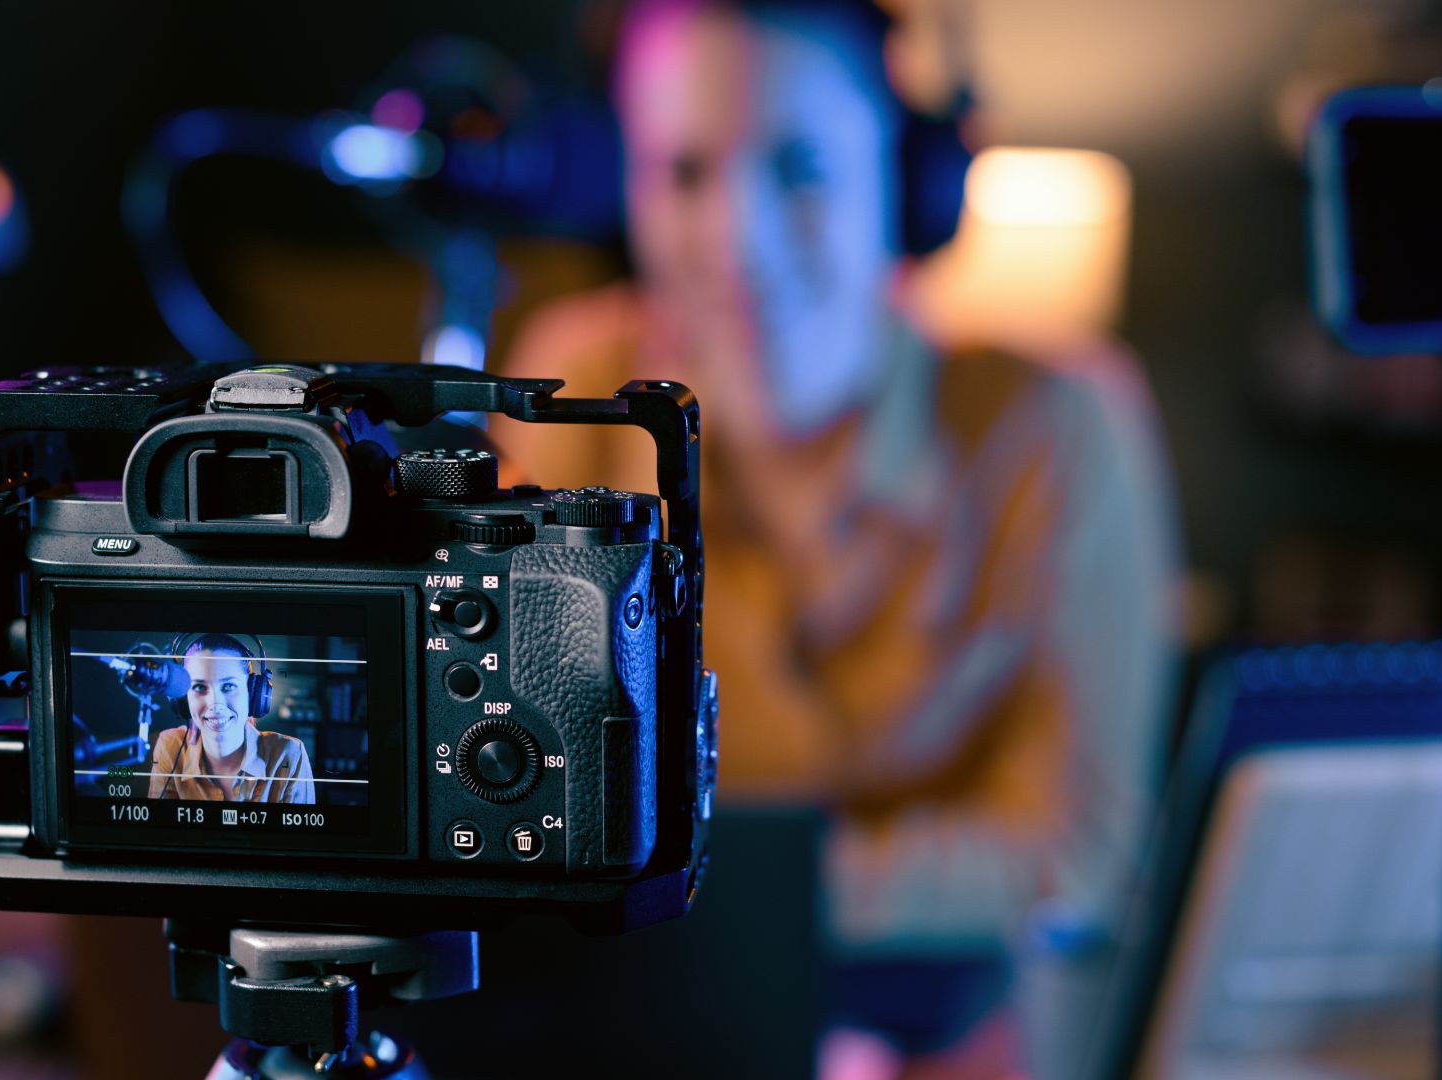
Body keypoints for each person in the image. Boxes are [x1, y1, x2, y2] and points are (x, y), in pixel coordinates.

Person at [494, 0, 1179, 1071]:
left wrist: (707, 883)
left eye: (801, 167)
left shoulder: (1060, 426)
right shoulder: (573, 390)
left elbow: (1075, 856)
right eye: (682, 174)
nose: (737, 241)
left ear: (903, 186)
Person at [148, 633, 315, 804]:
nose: (214, 703)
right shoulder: (170, 746)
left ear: (252, 694)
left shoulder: (289, 754)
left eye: (228, 686)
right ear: (183, 698)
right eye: (199, 687)